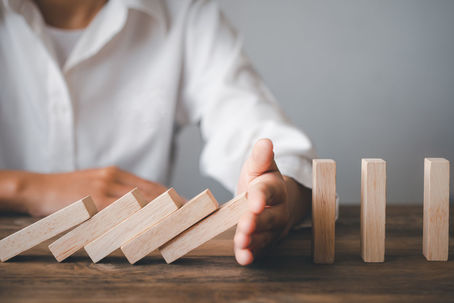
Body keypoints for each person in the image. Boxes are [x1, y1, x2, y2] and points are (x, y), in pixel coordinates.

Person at [0, 0, 316, 266]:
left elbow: (274, 145)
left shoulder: (185, 13)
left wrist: (280, 191)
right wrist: (24, 188)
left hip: (134, 272)